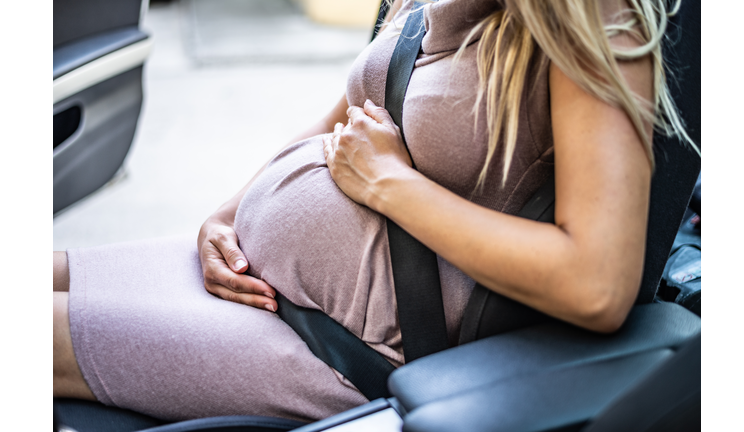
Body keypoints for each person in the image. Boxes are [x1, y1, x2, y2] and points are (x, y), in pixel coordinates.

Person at [53, 0, 697, 423]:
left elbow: (597, 283)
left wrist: (392, 184)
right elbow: (342, 120)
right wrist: (226, 213)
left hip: (344, 349)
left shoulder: (592, 19)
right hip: (264, 287)